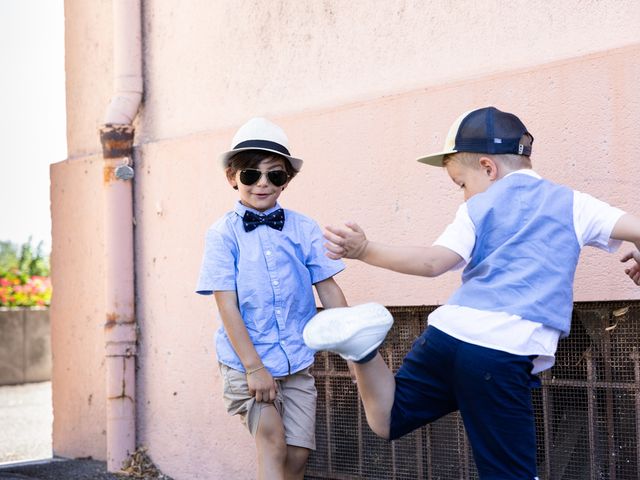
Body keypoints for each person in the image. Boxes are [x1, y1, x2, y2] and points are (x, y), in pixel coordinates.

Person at [303, 106, 640, 480]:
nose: (464, 196)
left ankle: (362, 351)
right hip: (500, 351)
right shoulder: (574, 204)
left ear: (488, 168)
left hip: (447, 336)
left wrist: (364, 250)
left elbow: (433, 263)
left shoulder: (477, 208)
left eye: (461, 184)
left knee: (389, 418)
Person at [196, 117, 348, 480]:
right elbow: (226, 305)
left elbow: (327, 287)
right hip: (247, 361)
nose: (263, 183)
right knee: (273, 443)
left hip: (295, 359)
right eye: (251, 175)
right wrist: (254, 368)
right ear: (232, 177)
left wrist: (355, 347)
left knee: (296, 457)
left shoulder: (304, 228)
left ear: (287, 180)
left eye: (275, 175)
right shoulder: (222, 235)